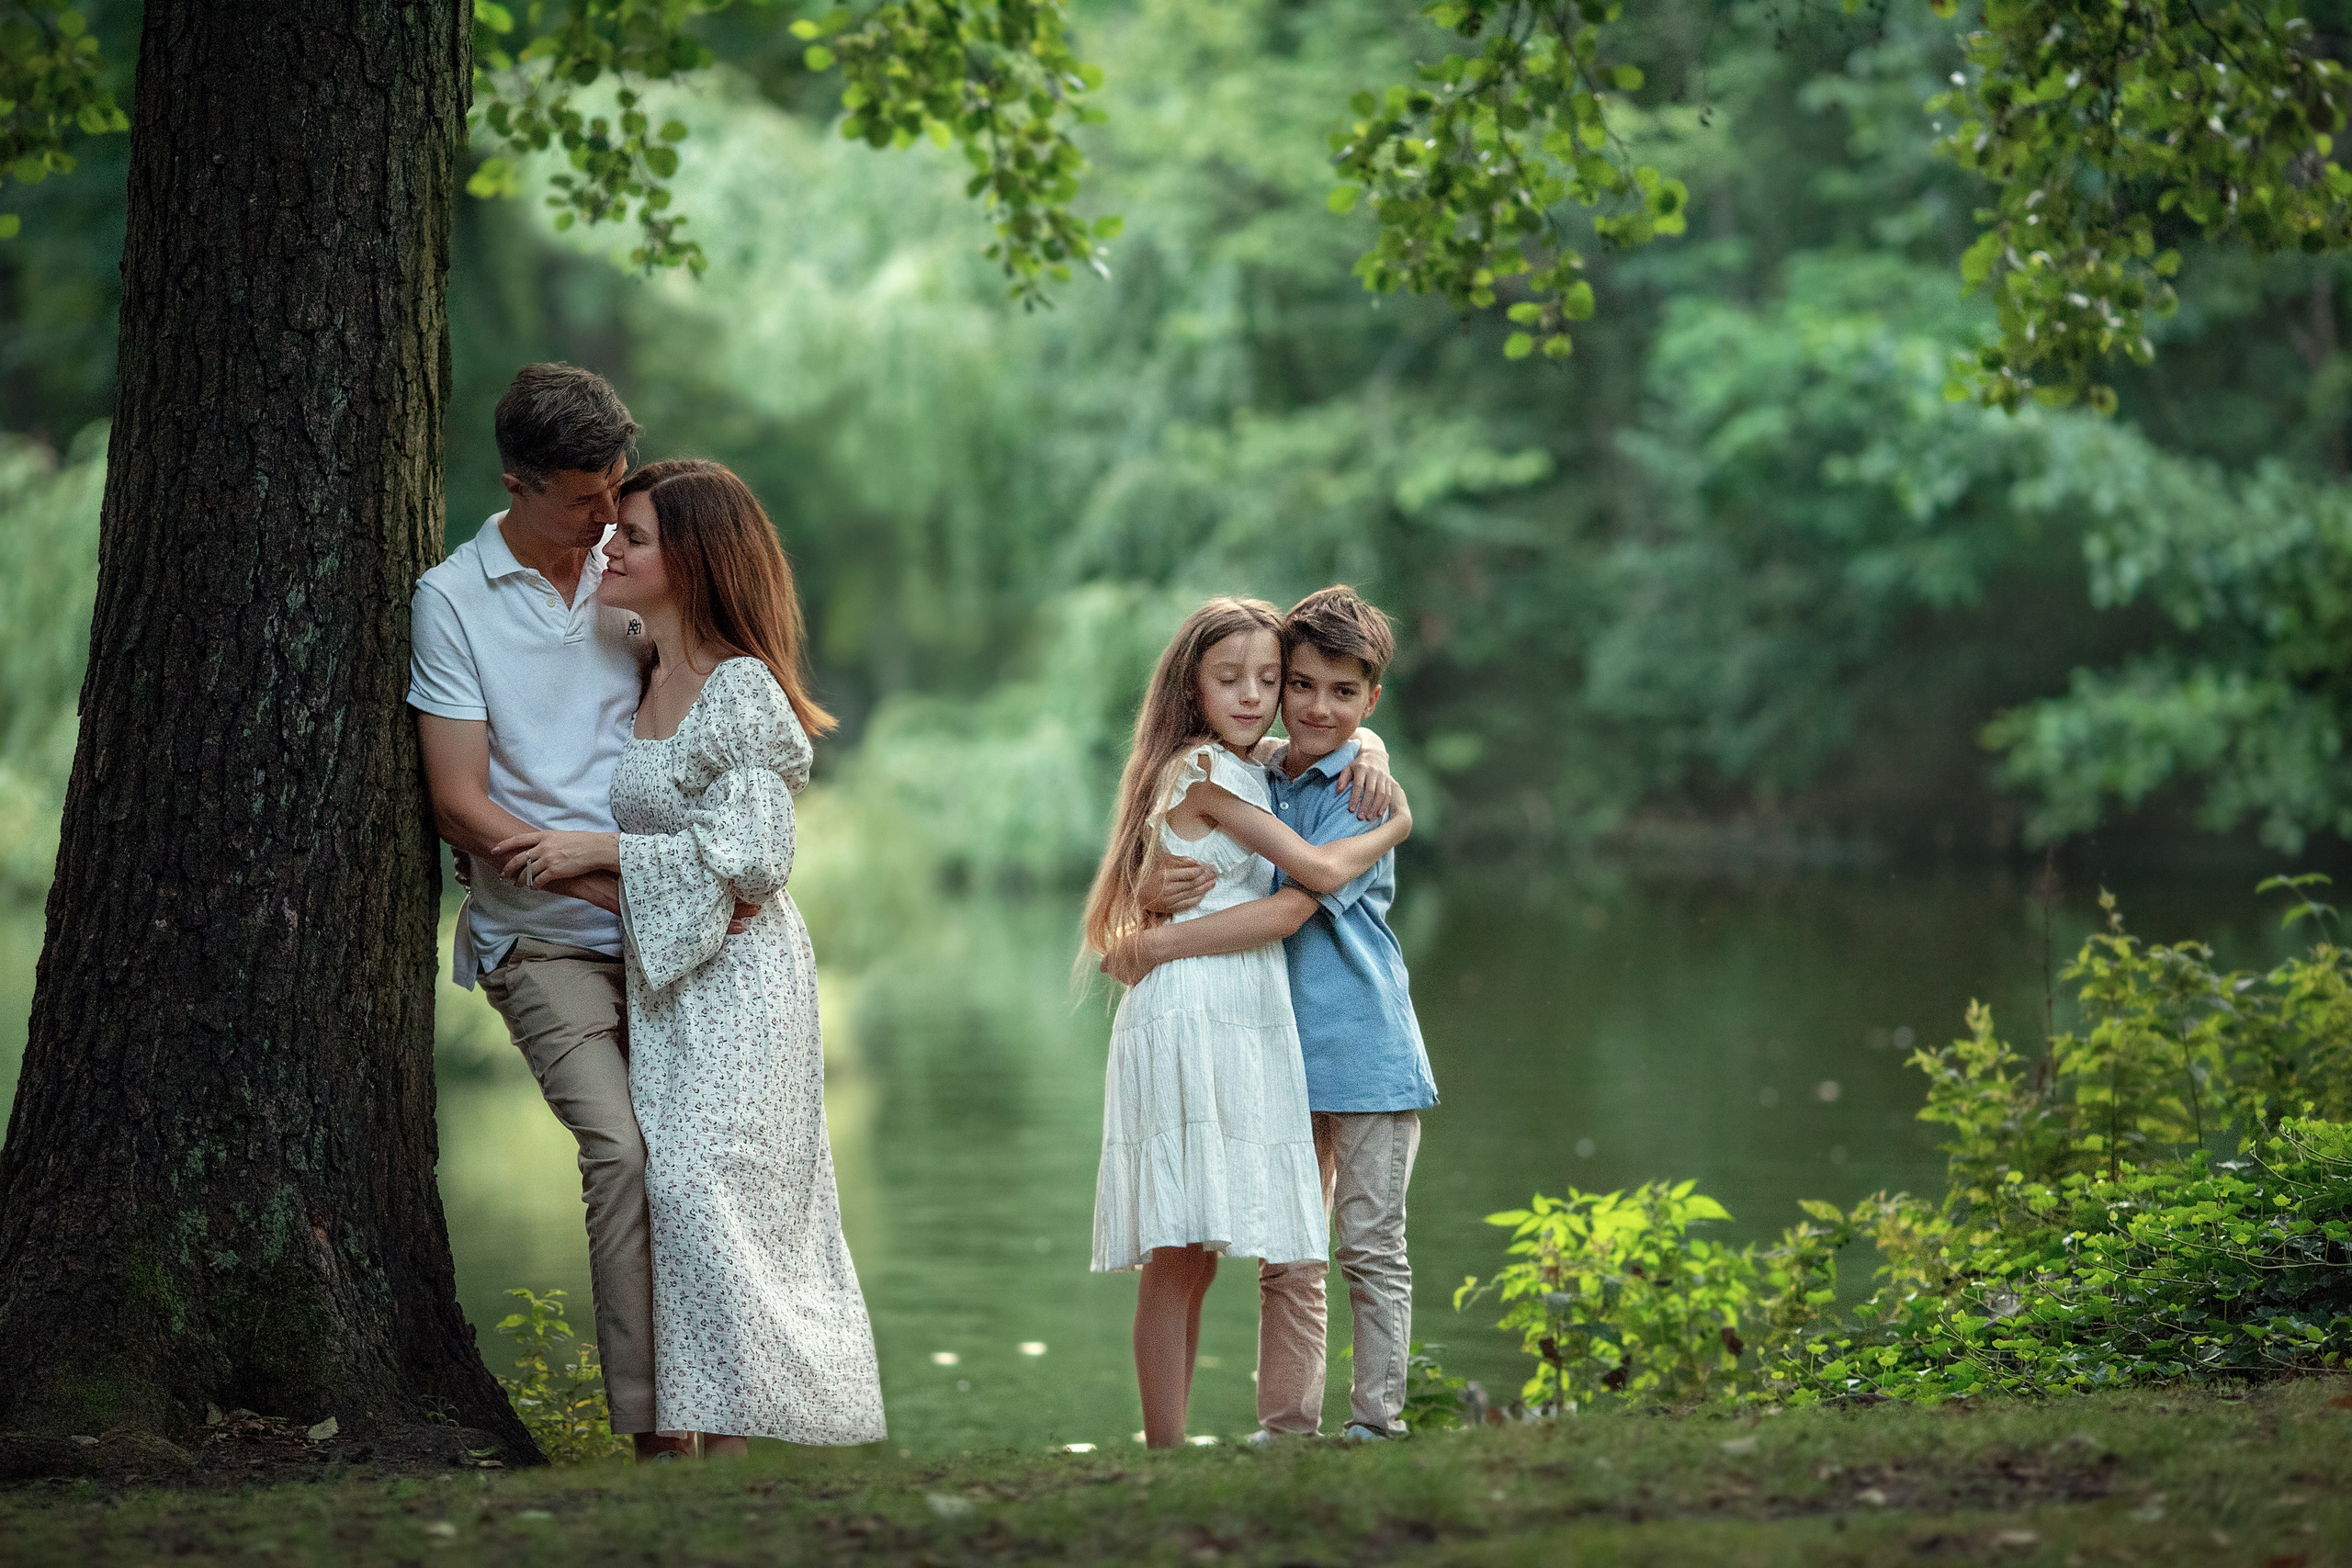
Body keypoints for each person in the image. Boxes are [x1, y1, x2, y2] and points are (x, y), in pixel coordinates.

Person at [490, 458, 886, 1455]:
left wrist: (604, 850)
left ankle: (743, 1444)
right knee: (682, 1199)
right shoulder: (641, 666)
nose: (608, 549)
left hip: (745, 983)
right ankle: (685, 1450)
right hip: (676, 980)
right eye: (612, 531)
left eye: (634, 537)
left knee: (707, 1192)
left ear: (695, 560)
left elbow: (754, 860)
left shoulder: (740, 688)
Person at [409, 364, 693, 1461]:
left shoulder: (634, 574)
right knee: (622, 1156)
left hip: (673, 929)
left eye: (615, 488)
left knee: (705, 1159)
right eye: (581, 498)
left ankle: (726, 1413)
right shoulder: (452, 601)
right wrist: (593, 883)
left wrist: (667, 889)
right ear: (514, 483)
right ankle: (652, 1433)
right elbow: (459, 802)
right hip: (541, 936)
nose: (603, 518)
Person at [1081, 596, 1415, 1449]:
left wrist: (1372, 755)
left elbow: (1306, 762)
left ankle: (1361, 1422)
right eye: (1260, 680)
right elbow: (1295, 886)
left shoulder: (1298, 773)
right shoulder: (1229, 771)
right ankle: (1227, 1437)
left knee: (1278, 1249)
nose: (1272, 698)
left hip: (1298, 1030)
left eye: (1272, 679)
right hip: (1226, 1024)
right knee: (1225, 1249)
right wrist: (1401, 823)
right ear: (1194, 686)